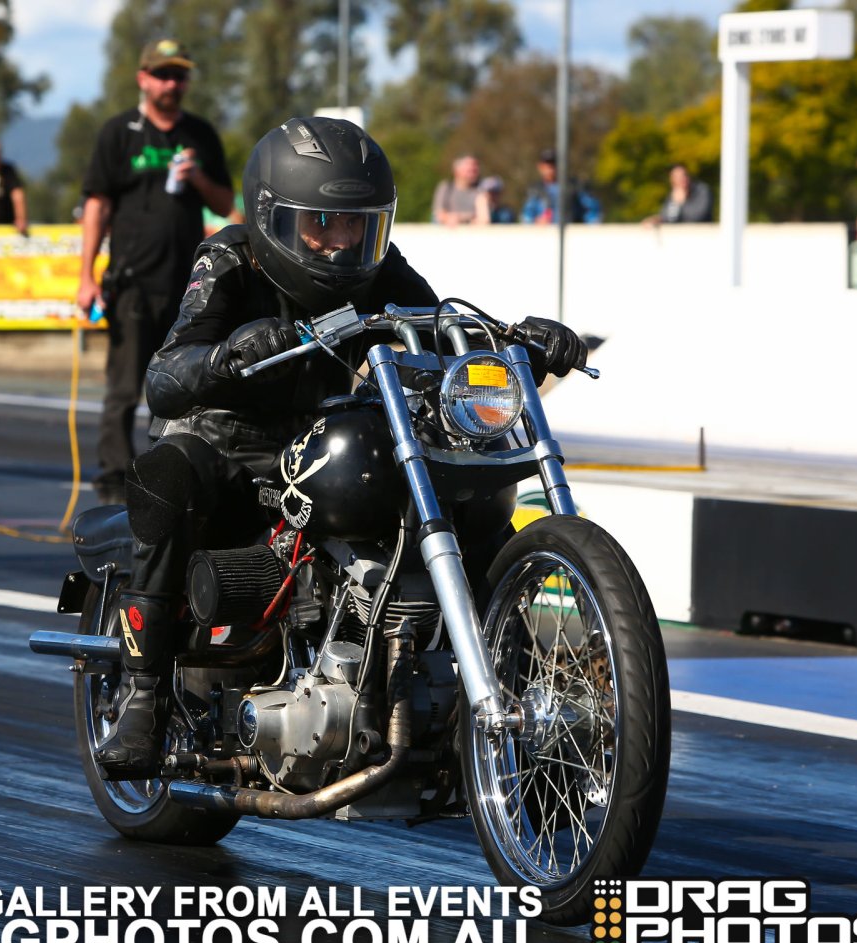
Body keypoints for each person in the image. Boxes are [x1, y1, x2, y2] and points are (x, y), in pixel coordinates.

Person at [92, 116, 588, 778]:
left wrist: (515, 340)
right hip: (225, 443)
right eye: (321, 225)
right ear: (273, 217)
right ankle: (143, 697)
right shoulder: (228, 258)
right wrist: (225, 355)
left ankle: (506, 702)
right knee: (168, 477)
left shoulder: (376, 268)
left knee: (458, 490)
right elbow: (165, 372)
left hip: (317, 439)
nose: (341, 243)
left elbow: (438, 326)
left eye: (357, 224)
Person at [76, 39, 235, 504]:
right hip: (131, 280)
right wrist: (86, 275)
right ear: (143, 78)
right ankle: (111, 479)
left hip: (189, 285)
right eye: (163, 75)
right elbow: (96, 205)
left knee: (184, 384)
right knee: (125, 386)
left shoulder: (200, 134)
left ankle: (168, 471)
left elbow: (225, 204)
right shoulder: (119, 132)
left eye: (179, 75)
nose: (172, 84)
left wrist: (197, 178)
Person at [521, 149, 599, 225]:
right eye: (547, 165)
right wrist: (536, 222)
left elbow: (593, 212)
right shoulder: (535, 190)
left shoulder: (575, 186)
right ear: (540, 167)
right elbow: (527, 216)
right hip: (543, 235)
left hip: (571, 234)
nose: (550, 169)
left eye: (553, 164)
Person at [643, 163, 712, 225]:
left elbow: (698, 217)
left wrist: (682, 204)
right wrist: (657, 220)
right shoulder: (673, 194)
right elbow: (669, 218)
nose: (682, 179)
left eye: (683, 175)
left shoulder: (701, 190)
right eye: (677, 177)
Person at [431, 154, 482, 226]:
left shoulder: (480, 190)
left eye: (475, 166)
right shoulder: (446, 187)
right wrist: (449, 218)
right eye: (469, 168)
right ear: (456, 170)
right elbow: (439, 214)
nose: (474, 169)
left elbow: (483, 217)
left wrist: (459, 218)